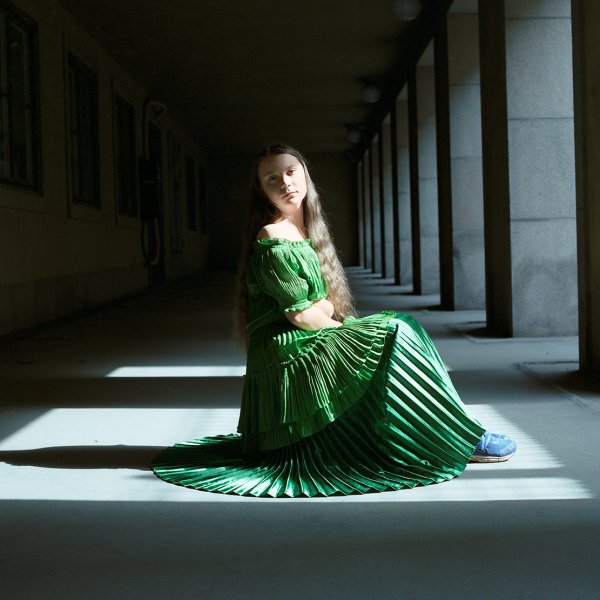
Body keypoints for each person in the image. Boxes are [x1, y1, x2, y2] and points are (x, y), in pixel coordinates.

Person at [150, 143, 516, 497]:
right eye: (272, 179)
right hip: (288, 351)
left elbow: (318, 305)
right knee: (394, 331)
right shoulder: (272, 236)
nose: (285, 183)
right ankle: (461, 437)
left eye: (291, 172)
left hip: (301, 336)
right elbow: (301, 313)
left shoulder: (306, 232)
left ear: (305, 175)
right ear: (261, 191)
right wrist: (340, 325)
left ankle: (453, 432)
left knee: (404, 329)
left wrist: (325, 309)